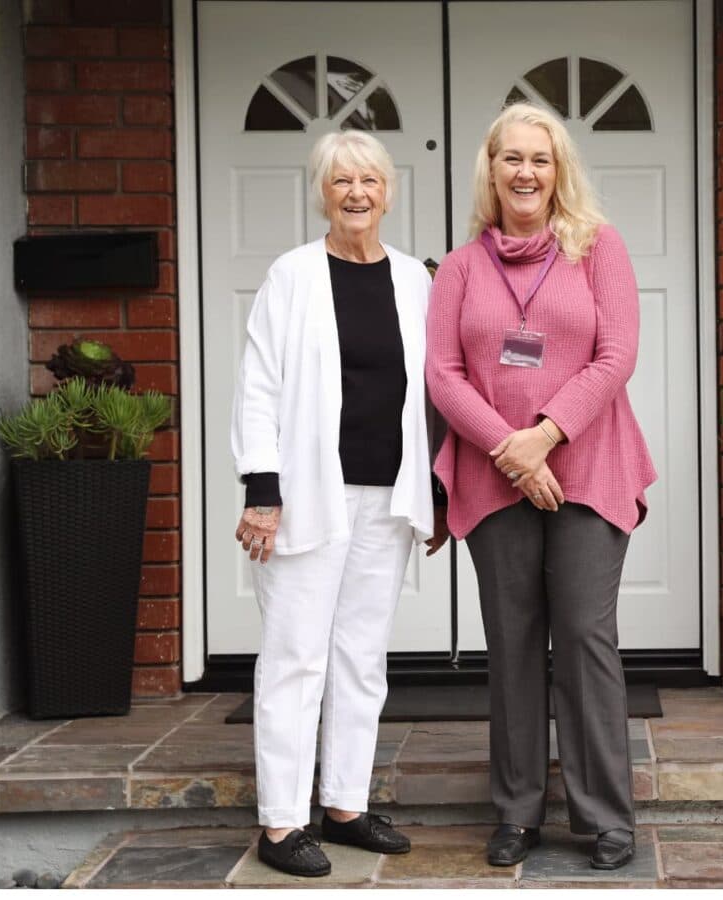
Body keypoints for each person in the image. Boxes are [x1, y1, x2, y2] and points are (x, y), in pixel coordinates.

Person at [426, 103, 656, 870]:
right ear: (490, 169)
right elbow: (442, 374)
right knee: (513, 644)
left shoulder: (599, 247)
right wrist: (508, 450)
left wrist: (546, 436)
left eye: (541, 159)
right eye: (511, 158)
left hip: (589, 468)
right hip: (496, 480)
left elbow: (616, 354)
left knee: (586, 638)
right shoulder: (460, 269)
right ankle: (518, 810)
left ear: (560, 170)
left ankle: (603, 817)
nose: (526, 172)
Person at [232, 130, 449, 878]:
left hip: (387, 497)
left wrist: (437, 491)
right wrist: (262, 490)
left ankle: (345, 805)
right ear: (321, 192)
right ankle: (281, 822)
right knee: (295, 658)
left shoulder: (415, 280)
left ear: (388, 191)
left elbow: (433, 394)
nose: (356, 193)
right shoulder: (291, 276)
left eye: (369, 181)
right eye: (340, 181)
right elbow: (258, 386)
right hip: (303, 499)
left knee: (361, 658)